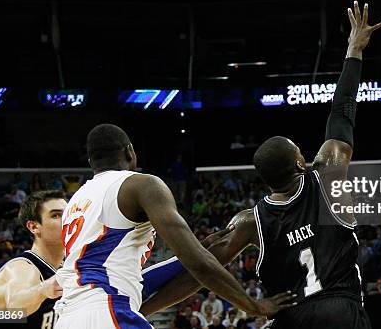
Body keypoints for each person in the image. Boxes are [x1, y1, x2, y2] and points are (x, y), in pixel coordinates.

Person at [140, 1, 381, 329]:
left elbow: (201, 270)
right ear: (301, 163)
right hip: (342, 311)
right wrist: (354, 50)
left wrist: (147, 308)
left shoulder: (249, 222)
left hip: (292, 317)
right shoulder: (328, 174)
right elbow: (342, 112)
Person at [54, 124, 294, 329]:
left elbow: (125, 276)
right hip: (106, 310)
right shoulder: (141, 185)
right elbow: (198, 263)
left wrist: (191, 253)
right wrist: (254, 306)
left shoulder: (76, 201)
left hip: (67, 317)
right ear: (130, 152)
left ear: (90, 161)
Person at [0, 190, 67, 329]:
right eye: (56, 215)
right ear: (34, 226)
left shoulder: (66, 266)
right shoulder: (22, 267)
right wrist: (42, 289)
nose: (67, 219)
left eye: (68, 213)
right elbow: (15, 305)